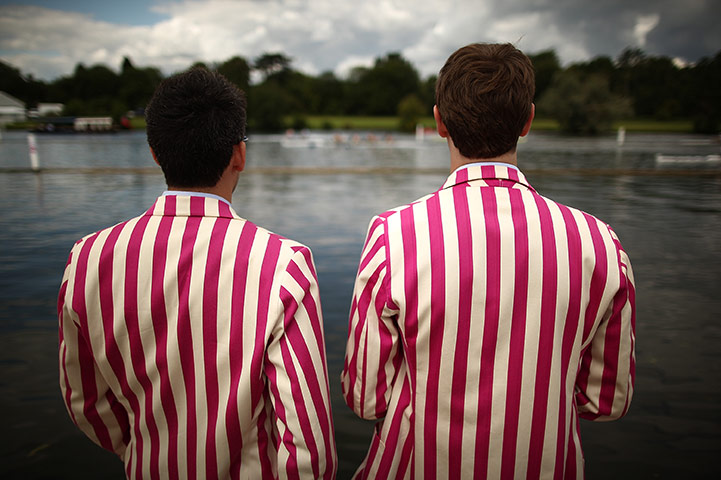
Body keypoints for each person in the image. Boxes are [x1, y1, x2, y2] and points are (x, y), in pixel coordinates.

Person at [341, 43, 635, 479]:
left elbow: (367, 397)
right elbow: (605, 401)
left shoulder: (394, 236)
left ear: (439, 122)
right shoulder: (600, 243)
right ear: (528, 121)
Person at [58, 68, 337, 479]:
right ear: (239, 154)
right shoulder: (283, 263)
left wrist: (145, 451)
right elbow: (308, 446)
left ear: (155, 152)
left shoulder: (87, 260)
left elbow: (86, 403)